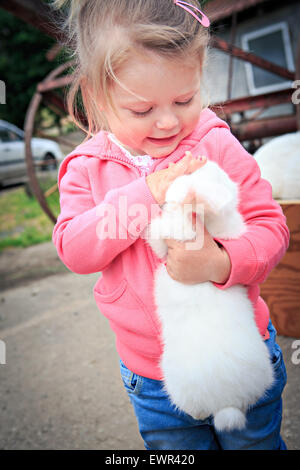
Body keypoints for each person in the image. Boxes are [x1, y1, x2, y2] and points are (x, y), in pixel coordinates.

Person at [51, 0, 289, 450]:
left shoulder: (214, 141)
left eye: (184, 100)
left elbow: (270, 227)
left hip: (237, 351)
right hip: (153, 372)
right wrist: (146, 195)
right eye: (141, 110)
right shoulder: (86, 169)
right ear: (97, 95)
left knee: (256, 444)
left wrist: (220, 263)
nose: (167, 122)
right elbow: (75, 250)